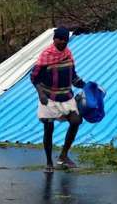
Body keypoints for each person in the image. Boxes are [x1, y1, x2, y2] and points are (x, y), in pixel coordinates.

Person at [30, 27, 85, 173]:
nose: (62, 42)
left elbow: (73, 77)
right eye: (59, 39)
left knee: (76, 121)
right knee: (49, 129)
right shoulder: (46, 56)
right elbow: (34, 78)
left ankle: (63, 155)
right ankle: (49, 162)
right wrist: (41, 94)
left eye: (65, 39)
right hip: (49, 98)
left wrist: (85, 85)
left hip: (66, 97)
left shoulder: (68, 55)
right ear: (54, 39)